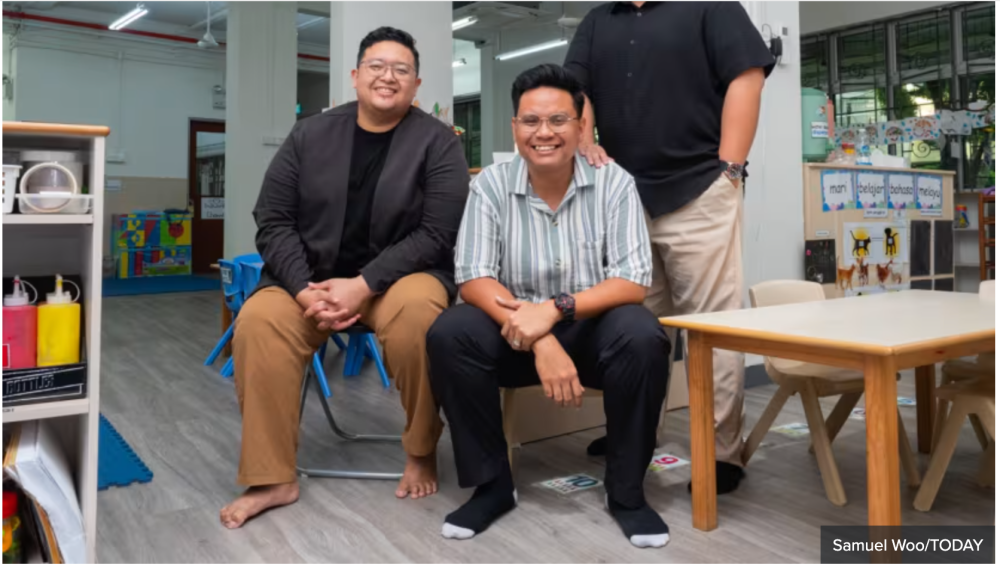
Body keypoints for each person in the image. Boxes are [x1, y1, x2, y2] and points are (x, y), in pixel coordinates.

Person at [220, 27, 469, 529]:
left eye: (401, 69)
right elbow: (273, 219)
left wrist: (363, 284)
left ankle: (421, 449)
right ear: (355, 76)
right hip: (311, 282)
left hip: (401, 280)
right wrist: (301, 290)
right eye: (376, 66)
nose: (388, 76)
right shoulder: (309, 135)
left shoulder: (439, 142)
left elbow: (437, 233)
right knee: (259, 321)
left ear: (417, 85)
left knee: (419, 317)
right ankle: (272, 477)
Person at [427, 64, 672, 548]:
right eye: (531, 121)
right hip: (513, 336)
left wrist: (555, 310)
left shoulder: (615, 183)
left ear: (581, 128)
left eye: (559, 120)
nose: (544, 133)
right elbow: (474, 278)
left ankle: (626, 494)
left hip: (593, 335)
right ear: (514, 127)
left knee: (642, 333)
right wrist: (538, 336)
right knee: (451, 332)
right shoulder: (490, 185)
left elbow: (631, 282)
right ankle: (492, 486)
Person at [564, 1, 775, 493]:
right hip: (624, 199)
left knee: (712, 329)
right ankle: (635, 433)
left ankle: (722, 453)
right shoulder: (597, 21)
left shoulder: (711, 6)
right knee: (635, 328)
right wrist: (584, 140)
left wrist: (730, 168)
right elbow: (577, 90)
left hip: (699, 189)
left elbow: (747, 77)